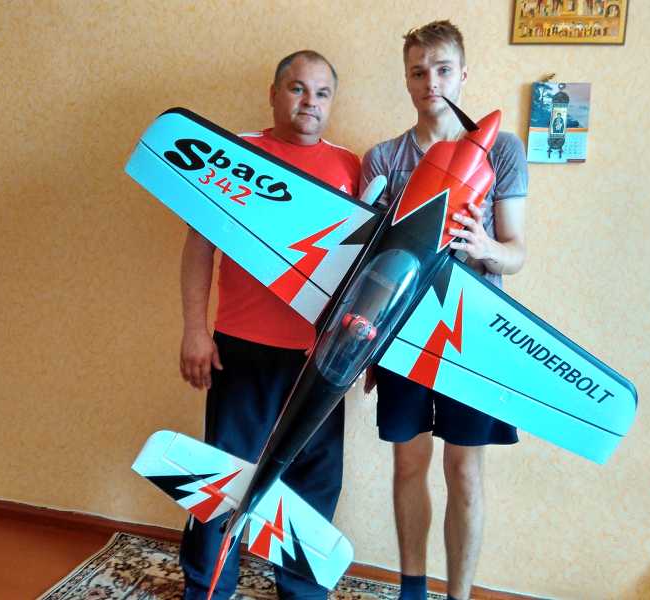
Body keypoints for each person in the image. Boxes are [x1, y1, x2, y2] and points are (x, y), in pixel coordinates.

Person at [178, 50, 361, 600]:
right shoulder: (233, 154)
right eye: (298, 89)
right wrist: (195, 330)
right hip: (243, 348)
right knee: (223, 480)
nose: (310, 103)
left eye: (322, 93)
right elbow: (198, 247)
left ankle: (301, 594)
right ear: (274, 93)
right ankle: (207, 589)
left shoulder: (351, 166)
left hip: (320, 359)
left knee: (313, 486)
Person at [360, 20, 528, 600]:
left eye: (442, 69)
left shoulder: (502, 149)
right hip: (402, 332)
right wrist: (364, 342)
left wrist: (485, 248)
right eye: (418, 71)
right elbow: (367, 262)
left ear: (463, 74)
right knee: (408, 465)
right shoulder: (382, 158)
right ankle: (412, 589)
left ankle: (457, 595)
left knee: (464, 471)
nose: (430, 81)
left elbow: (517, 253)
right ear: (406, 79)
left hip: (474, 334)